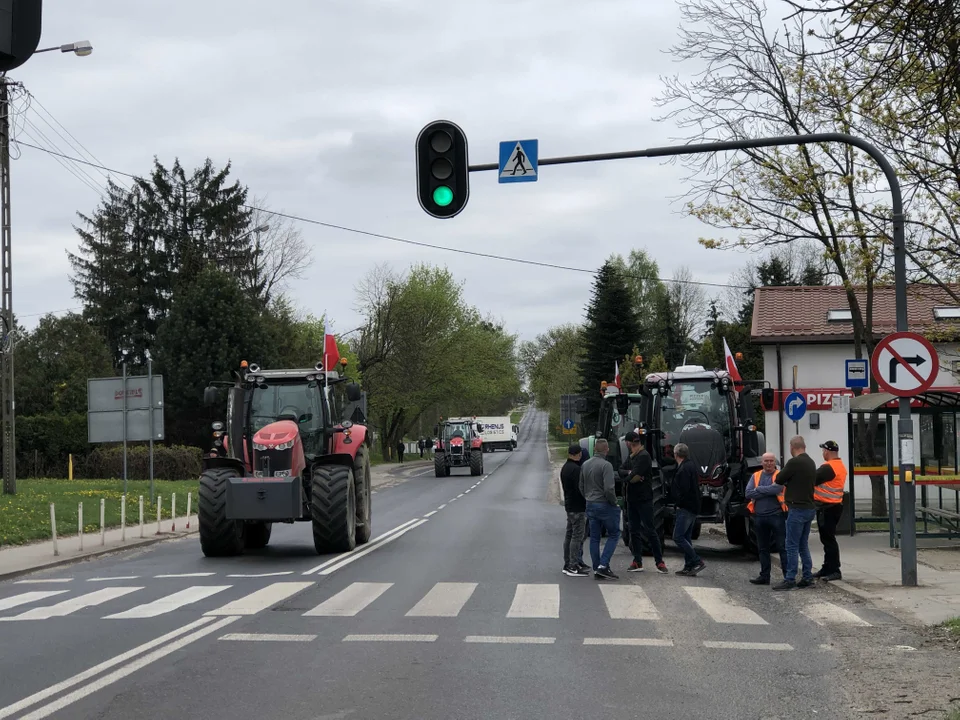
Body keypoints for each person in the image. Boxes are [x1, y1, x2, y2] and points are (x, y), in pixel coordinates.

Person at [619, 431, 668, 574]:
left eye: (627, 443)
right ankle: (637, 561)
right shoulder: (632, 456)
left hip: (644, 499)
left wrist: (629, 475)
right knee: (634, 530)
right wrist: (629, 474)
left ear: (629, 443)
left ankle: (659, 562)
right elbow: (623, 471)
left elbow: (632, 476)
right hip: (632, 499)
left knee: (650, 530)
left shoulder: (644, 456)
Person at [773, 436, 818, 590]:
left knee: (791, 545)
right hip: (809, 508)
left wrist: (787, 481)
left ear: (792, 447)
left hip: (797, 508)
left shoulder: (795, 462)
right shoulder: (811, 462)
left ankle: (790, 578)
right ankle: (807, 577)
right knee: (803, 545)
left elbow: (779, 478)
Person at [579, 438, 621, 580]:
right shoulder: (606, 465)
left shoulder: (585, 464)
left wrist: (587, 497)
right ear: (607, 449)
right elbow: (609, 488)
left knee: (594, 538)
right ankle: (604, 565)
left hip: (590, 503)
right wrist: (614, 502)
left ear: (595, 449)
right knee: (614, 533)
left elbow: (581, 485)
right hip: (604, 504)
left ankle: (597, 567)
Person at [745, 452, 788, 585]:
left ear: (775, 462)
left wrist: (759, 490)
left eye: (771, 461)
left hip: (777, 516)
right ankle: (764, 576)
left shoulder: (779, 475)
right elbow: (748, 493)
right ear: (762, 463)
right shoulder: (756, 475)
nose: (769, 463)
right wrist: (767, 490)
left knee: (782, 547)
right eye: (766, 461)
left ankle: (787, 577)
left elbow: (777, 489)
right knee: (762, 548)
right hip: (759, 517)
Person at [813, 440, 848, 581]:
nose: (823, 453)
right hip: (834, 506)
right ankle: (827, 567)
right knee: (827, 539)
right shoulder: (840, 466)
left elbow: (811, 479)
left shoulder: (828, 467)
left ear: (827, 451)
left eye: (823, 451)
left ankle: (834, 570)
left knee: (829, 540)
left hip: (827, 507)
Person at [671, 442, 705, 576]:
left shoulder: (684, 468)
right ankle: (689, 566)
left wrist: (678, 503)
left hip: (685, 507)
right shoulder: (690, 465)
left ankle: (697, 561)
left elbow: (684, 490)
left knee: (678, 537)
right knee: (686, 537)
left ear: (676, 454)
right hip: (692, 506)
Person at [560, 444, 590, 577]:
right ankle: (573, 565)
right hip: (578, 506)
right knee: (577, 536)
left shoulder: (565, 468)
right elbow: (581, 488)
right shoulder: (577, 469)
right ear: (578, 454)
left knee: (569, 535)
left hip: (569, 505)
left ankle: (567, 563)